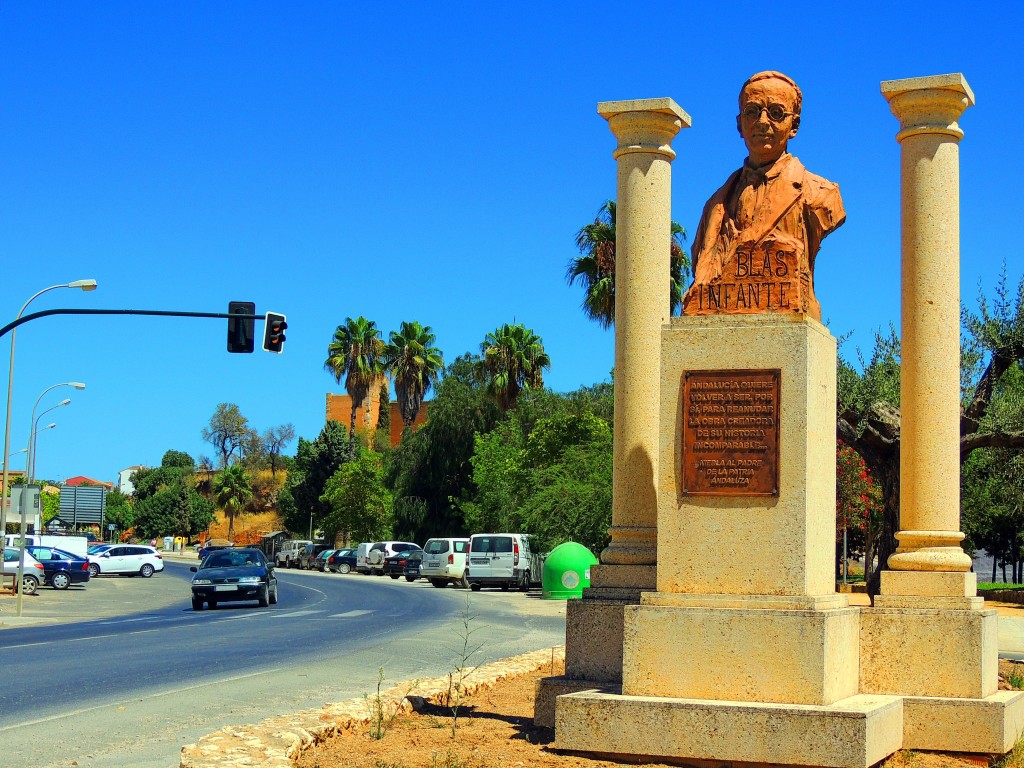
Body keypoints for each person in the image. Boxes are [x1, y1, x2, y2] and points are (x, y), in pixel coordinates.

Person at [680, 71, 845, 321]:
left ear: (794, 126)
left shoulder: (820, 193)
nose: (763, 121)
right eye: (753, 111)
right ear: (739, 124)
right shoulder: (714, 204)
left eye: (776, 112)